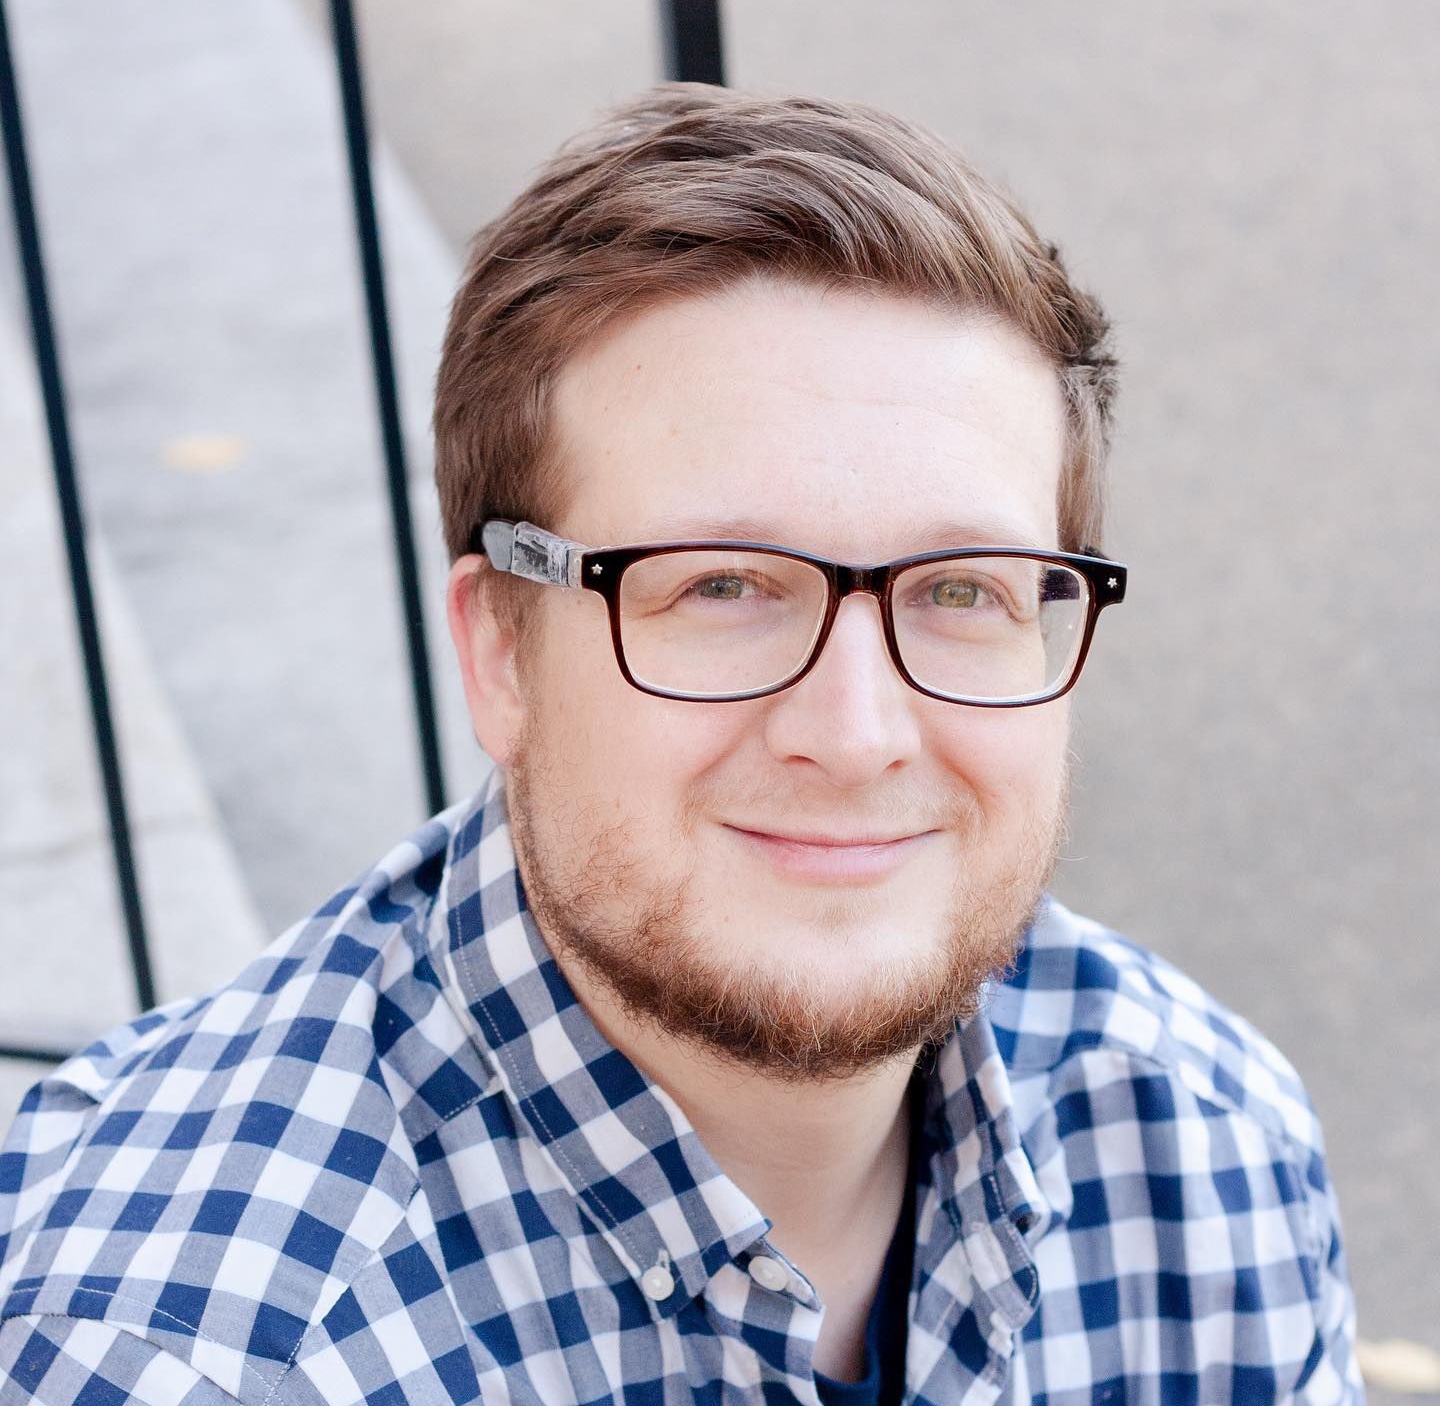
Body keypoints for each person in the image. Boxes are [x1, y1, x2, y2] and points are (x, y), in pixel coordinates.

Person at [0, 84, 1360, 1405]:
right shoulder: (192, 1356)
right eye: (721, 586)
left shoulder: (1205, 1151)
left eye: (962, 592)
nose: (857, 733)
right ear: (499, 652)